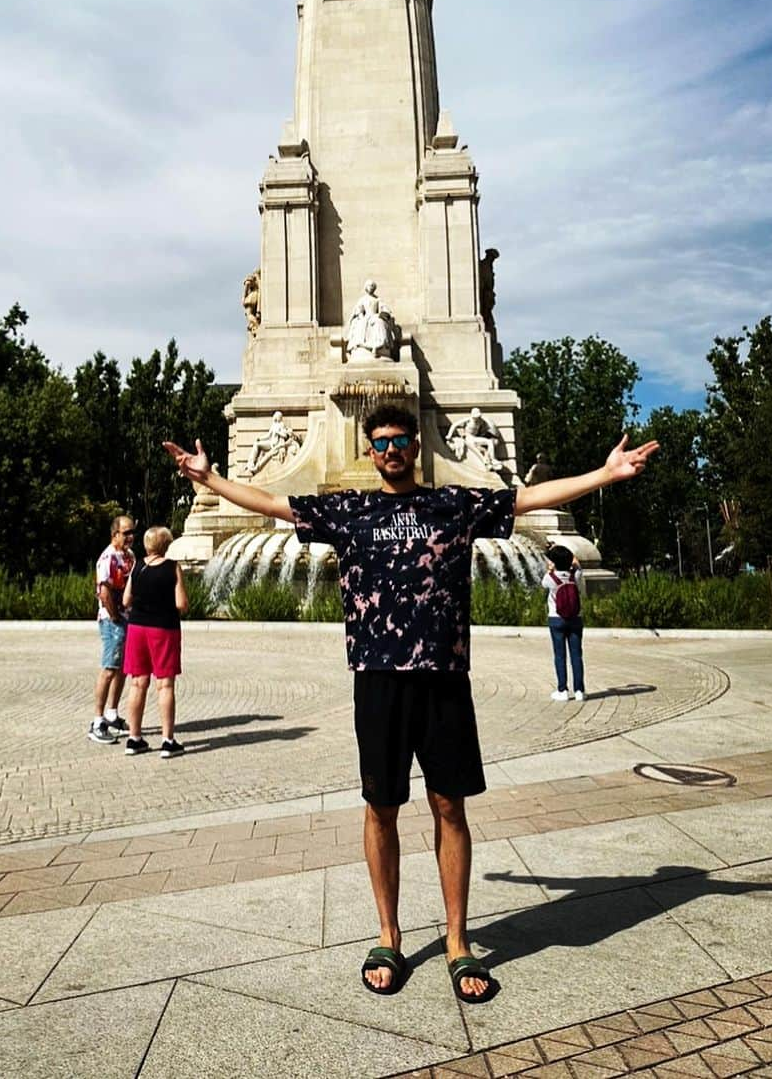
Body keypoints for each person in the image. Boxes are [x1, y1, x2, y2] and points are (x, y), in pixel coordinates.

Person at [163, 410, 657, 1003]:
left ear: (416, 445)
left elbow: (525, 500)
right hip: (377, 679)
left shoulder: (455, 504)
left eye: (399, 441)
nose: (391, 450)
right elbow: (273, 505)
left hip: (444, 678)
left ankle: (456, 941)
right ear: (369, 452)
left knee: (450, 806)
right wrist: (210, 480)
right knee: (381, 806)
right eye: (381, 443)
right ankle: (389, 934)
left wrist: (603, 475)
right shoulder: (349, 511)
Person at [122, 525, 190, 758]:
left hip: (137, 628)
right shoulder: (172, 567)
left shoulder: (138, 566)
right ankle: (168, 741)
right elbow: (181, 603)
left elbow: (125, 599)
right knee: (165, 684)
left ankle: (134, 738)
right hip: (163, 628)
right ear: (166, 545)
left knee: (137, 683)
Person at [90, 514, 136, 744]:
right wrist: (116, 616)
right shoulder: (107, 558)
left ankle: (112, 713)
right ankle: (97, 721)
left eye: (132, 532)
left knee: (122, 669)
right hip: (112, 620)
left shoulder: (129, 557)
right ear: (114, 534)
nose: (130, 537)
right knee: (109, 668)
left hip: (126, 618)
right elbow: (105, 592)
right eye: (126, 533)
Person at [543, 545, 585, 702]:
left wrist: (550, 569)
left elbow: (543, 584)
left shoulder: (550, 578)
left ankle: (563, 690)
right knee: (576, 656)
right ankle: (580, 690)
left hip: (556, 619)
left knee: (560, 655)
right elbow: (577, 564)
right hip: (575, 619)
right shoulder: (576, 575)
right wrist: (573, 561)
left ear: (554, 562)